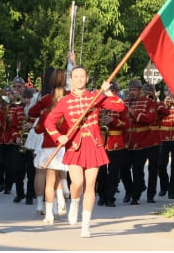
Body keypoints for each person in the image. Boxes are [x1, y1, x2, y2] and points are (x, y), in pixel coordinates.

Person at [44, 66, 123, 238]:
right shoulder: (64, 101)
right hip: (74, 146)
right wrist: (59, 137)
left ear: (86, 79)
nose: (79, 79)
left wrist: (108, 93)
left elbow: (120, 108)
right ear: (71, 80)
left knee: (91, 185)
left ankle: (85, 225)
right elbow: (49, 122)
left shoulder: (95, 96)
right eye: (76, 76)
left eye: (82, 76)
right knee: (77, 183)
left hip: (93, 144)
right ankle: (74, 202)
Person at [33, 68, 70, 223]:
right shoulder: (69, 98)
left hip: (49, 144)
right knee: (61, 174)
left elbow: (36, 123)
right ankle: (62, 197)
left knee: (47, 177)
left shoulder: (47, 102)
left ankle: (47, 211)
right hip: (65, 144)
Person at [126, 80, 168, 204]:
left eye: (135, 90)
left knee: (152, 169)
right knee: (129, 168)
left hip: (147, 140)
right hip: (131, 140)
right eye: (131, 90)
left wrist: (135, 114)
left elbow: (151, 118)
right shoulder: (127, 102)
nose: (132, 92)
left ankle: (149, 194)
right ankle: (134, 190)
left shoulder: (150, 103)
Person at [95, 81, 130, 208]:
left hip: (116, 141)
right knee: (101, 171)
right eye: (110, 91)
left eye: (114, 91)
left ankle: (110, 197)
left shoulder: (122, 106)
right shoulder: (99, 104)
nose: (111, 93)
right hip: (100, 140)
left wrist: (113, 120)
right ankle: (102, 195)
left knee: (114, 172)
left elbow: (127, 125)